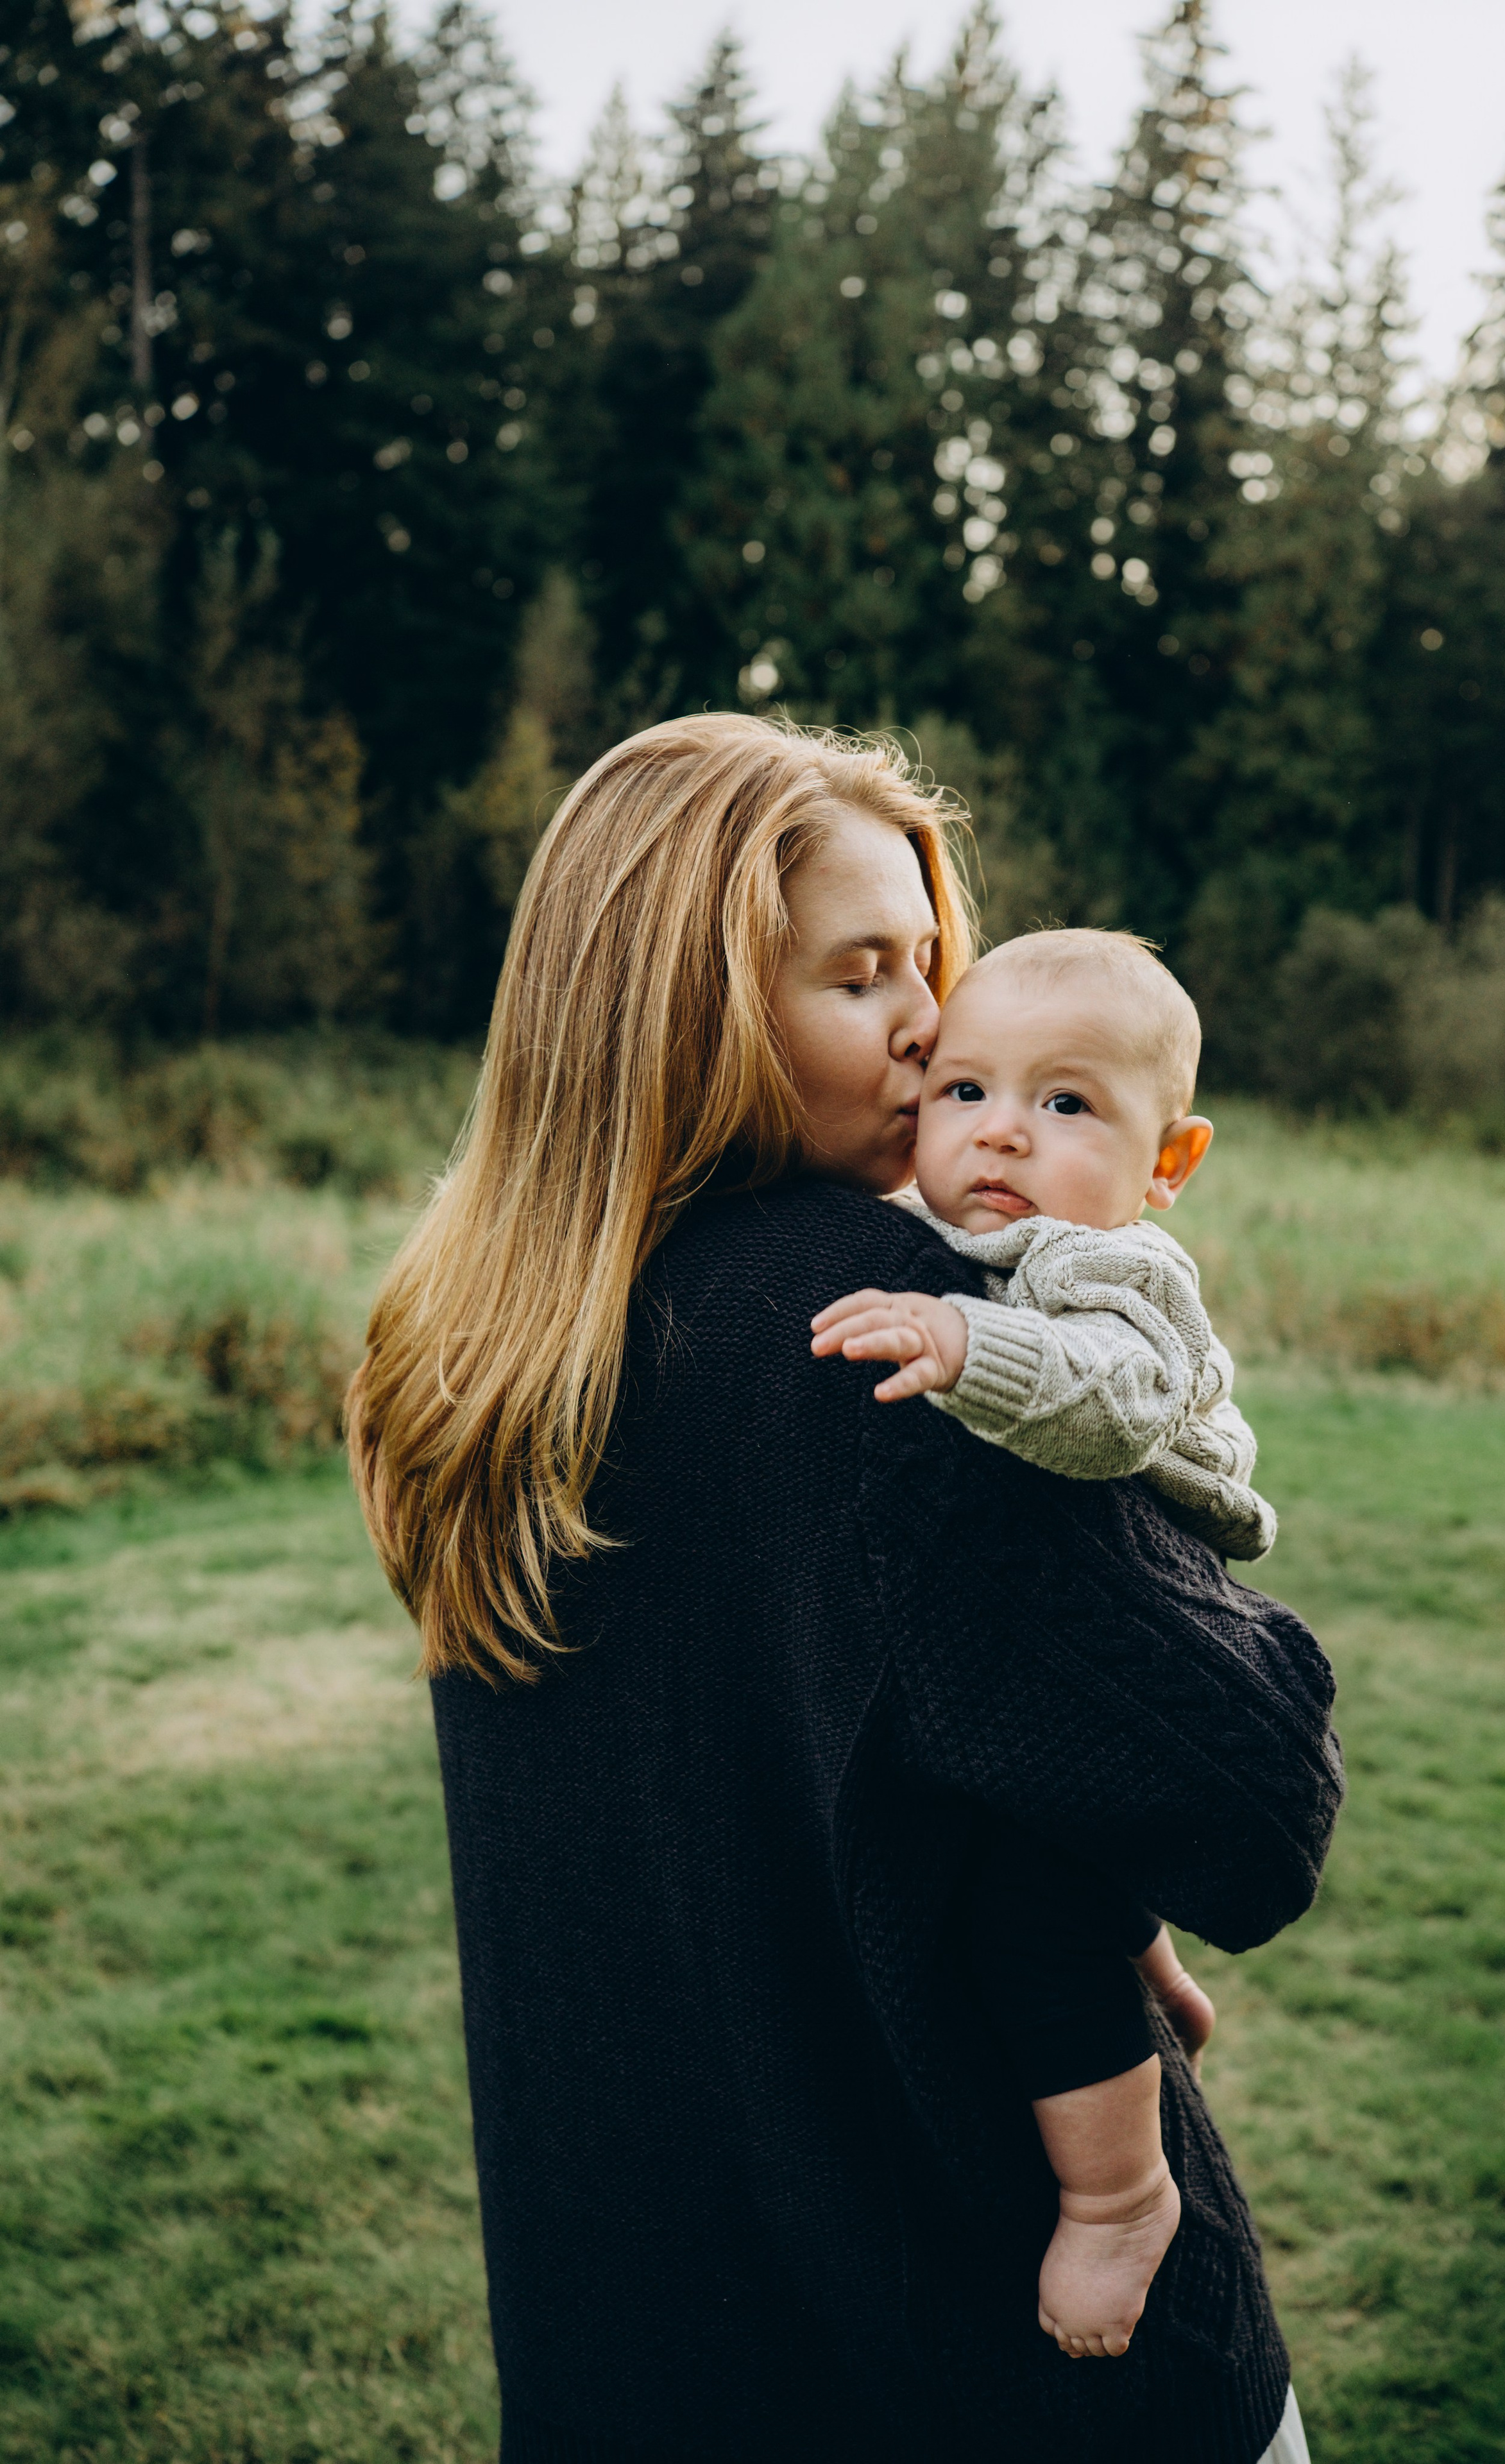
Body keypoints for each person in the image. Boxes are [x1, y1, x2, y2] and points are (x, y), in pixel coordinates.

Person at [347, 712, 1341, 2463]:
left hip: (637, 2346)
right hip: (990, 2345)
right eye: (860, 975)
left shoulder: (474, 1347)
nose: (926, 1028)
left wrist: (1086, 1872)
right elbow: (1255, 1795)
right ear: (688, 1008)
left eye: (929, 966)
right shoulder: (887, 1338)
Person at [811, 925, 1276, 2365]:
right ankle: (1144, 1956)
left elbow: (1116, 1403)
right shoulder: (954, 1235)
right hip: (1050, 1638)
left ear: (1166, 1162)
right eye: (964, 1092)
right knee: (1049, 1873)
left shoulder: (1112, 1266)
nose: (1003, 1129)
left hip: (1143, 1577)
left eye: (1066, 1105)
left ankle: (1119, 2194)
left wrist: (961, 1346)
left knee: (1028, 1912)